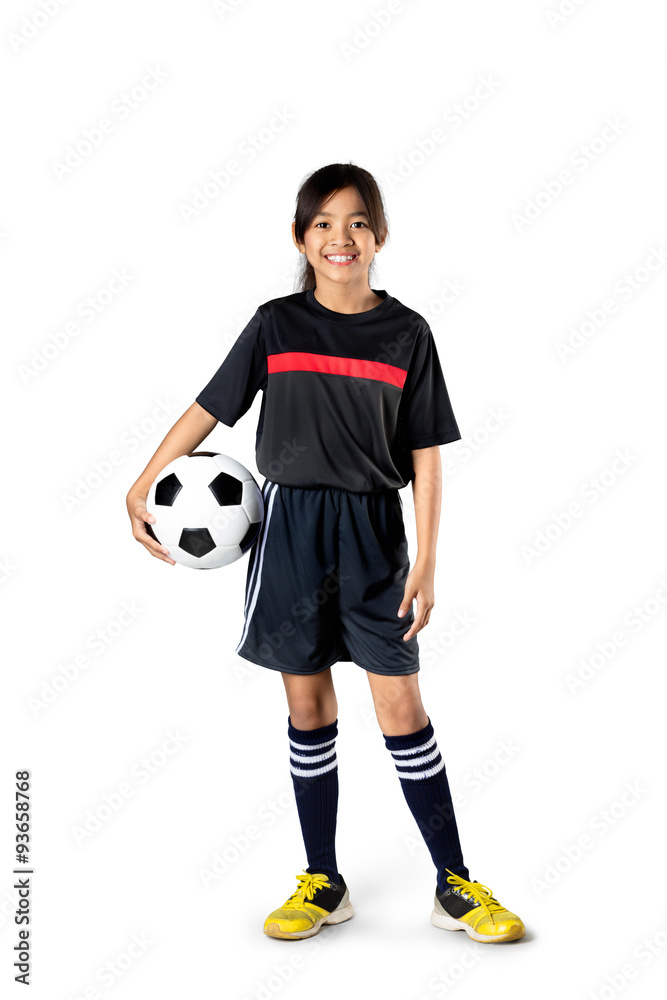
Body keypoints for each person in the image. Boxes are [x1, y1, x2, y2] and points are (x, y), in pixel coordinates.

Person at [126, 162, 526, 944]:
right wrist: (142, 483)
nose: (339, 238)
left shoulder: (406, 332)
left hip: (375, 535)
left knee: (400, 707)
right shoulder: (276, 325)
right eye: (322, 224)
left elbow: (425, 455)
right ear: (299, 238)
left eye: (355, 222)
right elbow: (212, 407)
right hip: (289, 535)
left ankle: (454, 881)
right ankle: (322, 880)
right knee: (307, 706)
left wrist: (428, 559)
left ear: (379, 235)